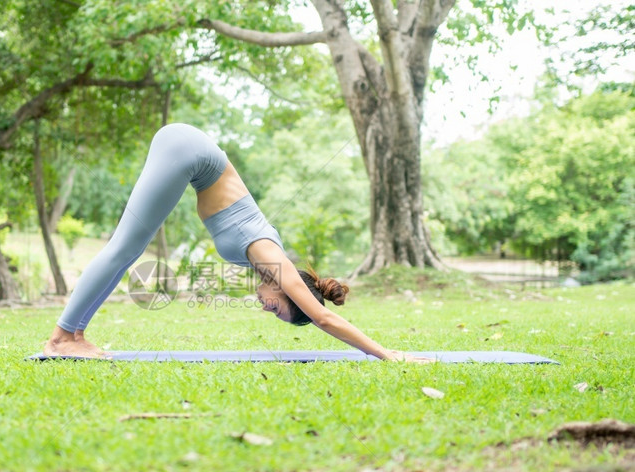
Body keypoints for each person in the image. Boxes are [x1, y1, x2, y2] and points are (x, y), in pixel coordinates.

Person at [43, 123, 431, 362]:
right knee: (125, 247)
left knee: (129, 249)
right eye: (278, 309)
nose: (267, 309)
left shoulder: (263, 261)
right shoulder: (270, 256)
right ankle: (62, 337)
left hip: (190, 152)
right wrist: (386, 353)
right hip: (188, 151)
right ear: (289, 292)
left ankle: (74, 335)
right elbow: (324, 317)